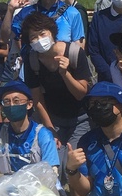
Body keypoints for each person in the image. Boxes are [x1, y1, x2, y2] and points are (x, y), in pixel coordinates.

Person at [21, 12, 93, 150]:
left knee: (76, 160)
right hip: (53, 118)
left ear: (52, 33)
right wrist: (50, 128)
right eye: (33, 37)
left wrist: (65, 74)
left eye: (42, 34)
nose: (39, 40)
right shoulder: (32, 60)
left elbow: (81, 93)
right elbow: (37, 98)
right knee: (55, 160)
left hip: (80, 118)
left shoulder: (74, 52)